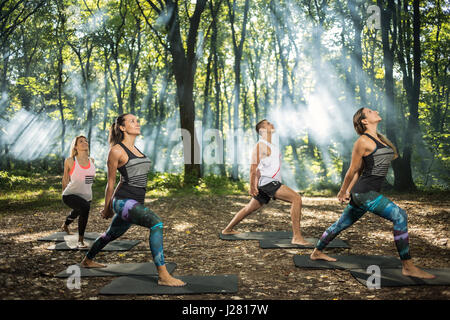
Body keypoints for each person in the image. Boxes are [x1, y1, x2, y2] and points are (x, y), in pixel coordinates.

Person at [310, 107, 435, 279]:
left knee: (341, 224)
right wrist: (343, 191)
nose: (375, 111)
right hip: (365, 193)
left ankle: (317, 252)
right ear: (364, 121)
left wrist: (350, 191)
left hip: (363, 193)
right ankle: (408, 266)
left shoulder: (381, 139)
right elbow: (352, 170)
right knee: (400, 216)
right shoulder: (362, 141)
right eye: (369, 111)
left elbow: (361, 170)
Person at [80, 114, 185, 286]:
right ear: (122, 127)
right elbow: (111, 182)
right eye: (132, 121)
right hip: (123, 201)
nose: (137, 123)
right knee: (156, 223)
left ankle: (87, 260)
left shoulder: (137, 149)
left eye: (137, 120)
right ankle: (163, 276)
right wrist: (108, 207)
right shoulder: (116, 150)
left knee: (110, 235)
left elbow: (127, 178)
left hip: (135, 202)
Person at [221, 119, 311, 246]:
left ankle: (227, 229)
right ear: (262, 130)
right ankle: (297, 237)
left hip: (265, 182)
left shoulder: (271, 145)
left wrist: (257, 183)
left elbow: (259, 169)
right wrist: (252, 186)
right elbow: (253, 167)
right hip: (269, 182)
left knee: (249, 208)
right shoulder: (260, 145)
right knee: (296, 199)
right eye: (268, 124)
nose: (272, 124)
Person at [61, 135, 95, 248]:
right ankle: (80, 241)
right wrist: (63, 192)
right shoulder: (70, 161)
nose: (85, 142)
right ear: (75, 147)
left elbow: (89, 179)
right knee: (84, 208)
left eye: (86, 140)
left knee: (78, 211)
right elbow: (65, 178)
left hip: (86, 196)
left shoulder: (92, 160)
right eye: (81, 141)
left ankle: (65, 225)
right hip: (69, 194)